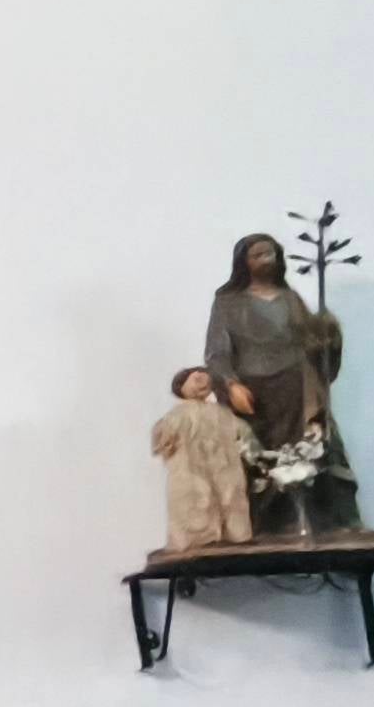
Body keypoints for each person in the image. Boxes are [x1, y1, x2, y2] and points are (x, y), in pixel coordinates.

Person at [202, 231, 359, 539]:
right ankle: (259, 524)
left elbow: (313, 344)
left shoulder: (289, 299)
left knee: (305, 453)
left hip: (295, 389)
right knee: (256, 459)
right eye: (258, 255)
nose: (266, 260)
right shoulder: (228, 302)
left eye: (271, 253)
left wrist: (327, 332)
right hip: (253, 394)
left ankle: (308, 518)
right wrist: (231, 384)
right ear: (243, 263)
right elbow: (216, 352)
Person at [149, 367, 252, 556]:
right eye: (194, 378)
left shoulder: (221, 412)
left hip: (224, 466)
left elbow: (242, 432)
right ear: (181, 386)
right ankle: (196, 542)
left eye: (204, 378)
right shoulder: (180, 413)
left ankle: (232, 537)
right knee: (196, 499)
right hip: (192, 468)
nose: (202, 382)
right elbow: (163, 439)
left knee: (230, 499)